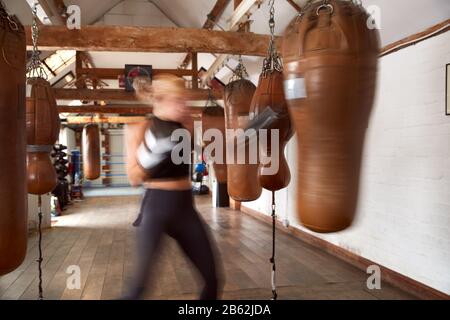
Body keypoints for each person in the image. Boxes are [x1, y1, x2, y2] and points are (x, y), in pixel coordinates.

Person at [123, 74, 221, 300]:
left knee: (212, 280)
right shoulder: (138, 128)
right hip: (157, 208)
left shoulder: (185, 127)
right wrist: (157, 149)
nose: (184, 106)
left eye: (185, 100)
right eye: (179, 100)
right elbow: (134, 178)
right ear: (161, 100)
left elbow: (208, 149)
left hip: (186, 209)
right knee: (138, 289)